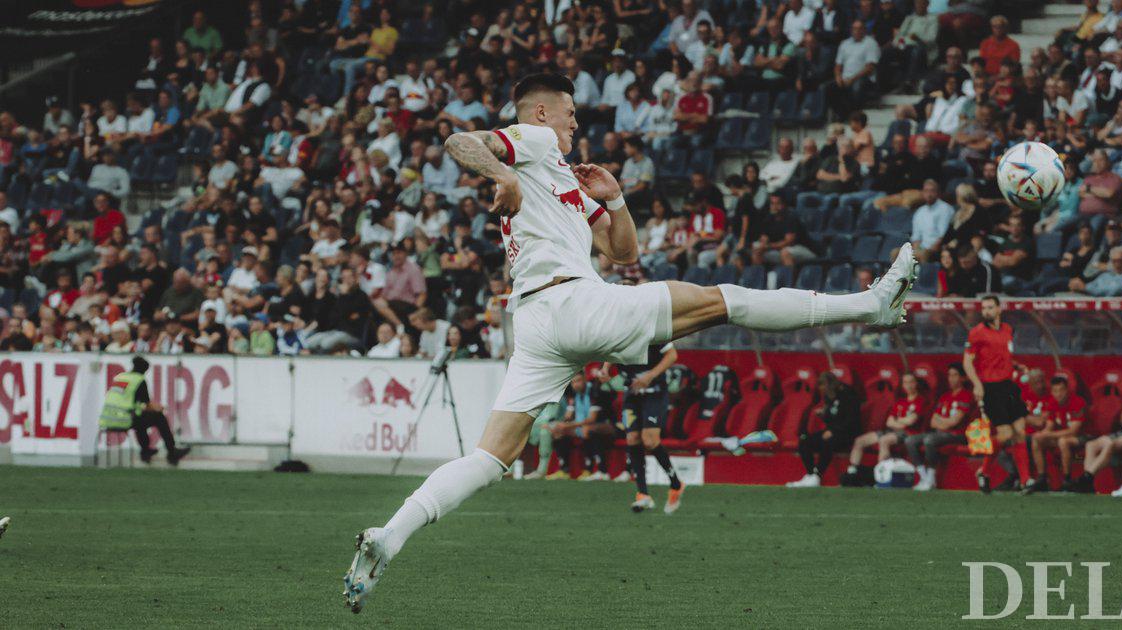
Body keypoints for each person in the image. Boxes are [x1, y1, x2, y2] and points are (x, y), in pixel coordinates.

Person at [343, 73, 918, 612]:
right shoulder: (537, 140)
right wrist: (504, 174)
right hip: (573, 304)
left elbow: (623, 254)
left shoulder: (562, 178)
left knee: (490, 458)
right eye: (570, 115)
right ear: (542, 112)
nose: (575, 127)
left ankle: (389, 537)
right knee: (726, 301)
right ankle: (869, 306)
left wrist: (615, 200)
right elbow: (459, 140)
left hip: (541, 323)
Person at [601, 337, 682, 514]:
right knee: (632, 438)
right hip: (632, 392)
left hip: (655, 392)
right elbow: (611, 350)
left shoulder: (650, 332)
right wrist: (605, 368)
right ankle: (643, 494)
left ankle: (676, 484)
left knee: (650, 440)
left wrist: (651, 375)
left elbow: (672, 355)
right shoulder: (617, 332)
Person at [964, 295, 1028, 494]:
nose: (987, 311)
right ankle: (983, 471)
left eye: (990, 307)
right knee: (1006, 434)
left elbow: (1003, 356)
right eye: (984, 308)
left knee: (1020, 432)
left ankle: (1026, 481)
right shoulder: (976, 333)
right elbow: (967, 362)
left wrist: (1016, 365)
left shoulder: (1008, 330)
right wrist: (977, 385)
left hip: (1008, 386)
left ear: (999, 309)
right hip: (990, 388)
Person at [98, 356, 191, 465]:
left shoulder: (120, 377)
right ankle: (171, 451)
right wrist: (159, 408)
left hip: (106, 419)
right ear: (144, 370)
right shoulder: (139, 380)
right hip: (123, 419)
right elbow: (147, 405)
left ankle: (146, 451)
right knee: (159, 417)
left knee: (140, 418)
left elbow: (128, 402)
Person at [841, 372, 927, 486]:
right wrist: (902, 421)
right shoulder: (900, 402)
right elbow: (889, 422)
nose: (909, 385)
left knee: (884, 440)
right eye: (906, 382)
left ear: (916, 384)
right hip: (892, 431)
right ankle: (851, 473)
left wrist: (898, 421)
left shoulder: (921, 401)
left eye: (911, 382)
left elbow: (911, 422)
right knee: (860, 441)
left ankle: (880, 477)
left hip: (908, 433)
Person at [787, 372, 863, 488]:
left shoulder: (848, 394)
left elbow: (851, 420)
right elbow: (831, 416)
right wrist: (823, 414)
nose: (822, 390)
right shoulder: (829, 396)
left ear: (829, 385)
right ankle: (811, 474)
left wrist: (834, 431)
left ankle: (817, 475)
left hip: (847, 434)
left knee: (828, 442)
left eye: (823, 387)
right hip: (832, 431)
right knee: (804, 440)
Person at [905, 363, 973, 491]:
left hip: (958, 434)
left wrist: (942, 422)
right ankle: (923, 477)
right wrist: (944, 422)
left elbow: (955, 422)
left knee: (930, 440)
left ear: (963, 378)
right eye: (949, 375)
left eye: (955, 375)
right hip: (941, 433)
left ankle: (931, 478)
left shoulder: (966, 395)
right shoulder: (945, 396)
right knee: (910, 440)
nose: (951, 378)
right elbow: (932, 422)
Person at [1023, 376, 1087, 494]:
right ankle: (1042, 478)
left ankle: (1067, 479)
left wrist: (1049, 434)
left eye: (1061, 390)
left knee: (1063, 441)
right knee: (1037, 439)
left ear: (1067, 390)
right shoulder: (1053, 403)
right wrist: (1042, 434)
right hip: (1061, 437)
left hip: (1083, 438)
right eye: (1055, 391)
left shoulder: (1078, 402)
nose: (1059, 394)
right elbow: (1049, 426)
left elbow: (1073, 431)